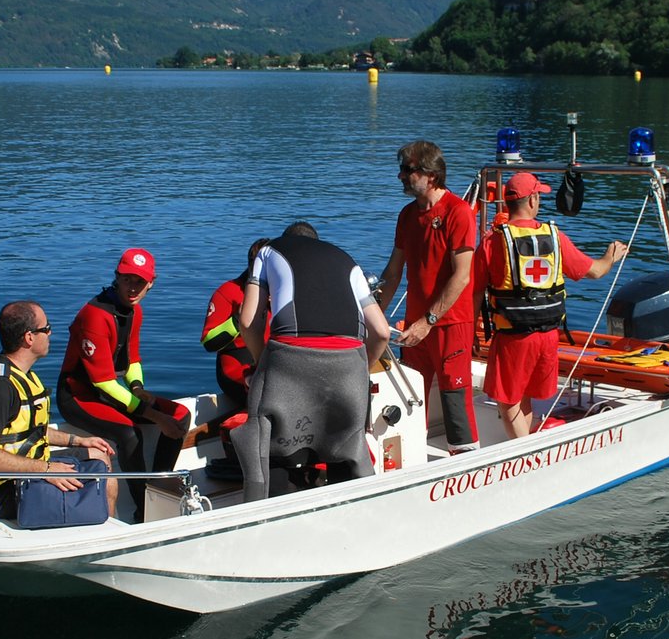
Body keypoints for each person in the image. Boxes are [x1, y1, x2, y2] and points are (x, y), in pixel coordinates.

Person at [233, 221, 392, 502]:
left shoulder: (267, 251)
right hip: (349, 365)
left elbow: (248, 321)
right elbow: (381, 331)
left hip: (289, 356)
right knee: (348, 445)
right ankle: (359, 509)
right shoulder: (348, 262)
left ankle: (257, 512)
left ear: (287, 239)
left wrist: (263, 365)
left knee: (260, 437)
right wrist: (359, 371)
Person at [474, 171, 629, 438]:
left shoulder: (493, 241)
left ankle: (523, 455)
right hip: (547, 335)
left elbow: (474, 292)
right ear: (532, 200)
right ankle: (526, 448)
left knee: (508, 401)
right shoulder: (556, 238)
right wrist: (610, 255)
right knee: (524, 399)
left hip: (513, 336)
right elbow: (595, 271)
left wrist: (468, 333)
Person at [0, 301, 118, 520]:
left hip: (25, 469)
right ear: (29, 338)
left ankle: (106, 528)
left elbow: (28, 431)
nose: (50, 333)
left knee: (99, 456)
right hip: (2, 489)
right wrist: (46, 470)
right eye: (46, 329)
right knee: (101, 482)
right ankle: (98, 536)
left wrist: (77, 440)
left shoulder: (20, 375)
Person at [57, 248, 189, 518]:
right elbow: (103, 382)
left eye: (139, 281)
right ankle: (144, 508)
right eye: (127, 279)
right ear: (116, 277)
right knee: (129, 433)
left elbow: (132, 360)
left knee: (180, 415)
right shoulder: (95, 315)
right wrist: (153, 415)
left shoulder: (133, 311)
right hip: (78, 397)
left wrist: (138, 389)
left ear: (151, 283)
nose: (132, 288)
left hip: (109, 392)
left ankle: (156, 485)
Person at [375, 140, 479, 454]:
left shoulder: (458, 213)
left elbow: (461, 276)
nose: (401, 177)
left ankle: (466, 463)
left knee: (454, 398)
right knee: (409, 394)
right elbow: (393, 271)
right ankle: (412, 460)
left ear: (431, 175)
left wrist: (429, 320)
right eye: (402, 170)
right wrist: (373, 313)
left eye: (408, 171)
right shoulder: (407, 216)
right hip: (416, 326)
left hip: (450, 325)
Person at [200, 238, 270, 405]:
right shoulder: (228, 292)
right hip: (236, 363)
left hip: (270, 361)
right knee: (268, 393)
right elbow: (209, 342)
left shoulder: (281, 292)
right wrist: (237, 320)